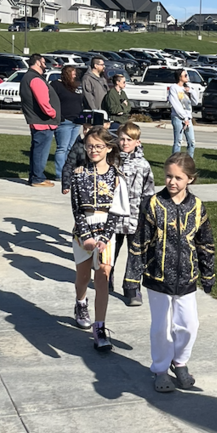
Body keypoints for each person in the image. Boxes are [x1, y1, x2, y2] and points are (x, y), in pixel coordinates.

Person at [124, 152, 215, 393]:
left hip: (186, 278)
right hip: (158, 278)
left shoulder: (197, 207)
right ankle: (161, 369)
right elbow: (139, 243)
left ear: (190, 180)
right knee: (161, 327)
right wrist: (131, 279)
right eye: (168, 176)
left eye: (178, 178)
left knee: (189, 324)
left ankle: (180, 362)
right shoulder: (153, 204)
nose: (172, 182)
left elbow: (205, 243)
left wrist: (208, 273)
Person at [69, 126, 129, 349]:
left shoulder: (116, 176)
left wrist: (105, 237)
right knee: (83, 278)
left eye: (98, 146)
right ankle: (80, 302)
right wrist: (86, 237)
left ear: (108, 148)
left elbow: (116, 211)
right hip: (83, 232)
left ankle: (100, 327)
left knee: (103, 277)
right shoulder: (79, 174)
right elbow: (77, 210)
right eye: (90, 146)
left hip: (106, 233)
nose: (93, 150)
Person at [114, 121, 155, 306]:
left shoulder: (143, 165)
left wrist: (148, 214)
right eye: (121, 139)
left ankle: (132, 288)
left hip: (135, 215)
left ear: (137, 142)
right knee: (109, 250)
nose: (125, 143)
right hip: (113, 215)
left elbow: (149, 191)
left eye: (129, 140)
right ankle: (105, 278)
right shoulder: (111, 161)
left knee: (136, 252)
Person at [20, 53, 60, 187]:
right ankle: (37, 178)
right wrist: (52, 113)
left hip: (40, 121)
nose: (45, 64)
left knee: (38, 150)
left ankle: (37, 176)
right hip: (43, 121)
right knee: (41, 151)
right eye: (43, 62)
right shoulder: (35, 79)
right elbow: (43, 101)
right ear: (37, 62)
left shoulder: (30, 77)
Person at [52, 65, 84, 182]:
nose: (75, 75)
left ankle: (69, 171)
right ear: (67, 73)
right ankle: (60, 174)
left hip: (76, 121)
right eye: (73, 73)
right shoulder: (56, 85)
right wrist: (59, 117)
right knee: (62, 148)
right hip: (65, 121)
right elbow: (52, 101)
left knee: (71, 148)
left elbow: (80, 101)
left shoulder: (75, 86)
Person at [168, 68, 197, 159]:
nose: (187, 77)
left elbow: (195, 102)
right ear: (179, 77)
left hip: (188, 118)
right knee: (178, 141)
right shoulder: (174, 88)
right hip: (178, 118)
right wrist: (184, 118)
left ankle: (189, 162)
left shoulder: (188, 88)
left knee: (192, 142)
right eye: (185, 75)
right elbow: (176, 104)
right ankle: (175, 162)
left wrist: (191, 91)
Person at [81, 55, 109, 126]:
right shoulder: (87, 78)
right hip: (95, 113)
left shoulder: (102, 78)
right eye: (102, 65)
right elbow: (88, 96)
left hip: (104, 112)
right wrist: (95, 111)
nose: (104, 66)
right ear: (96, 65)